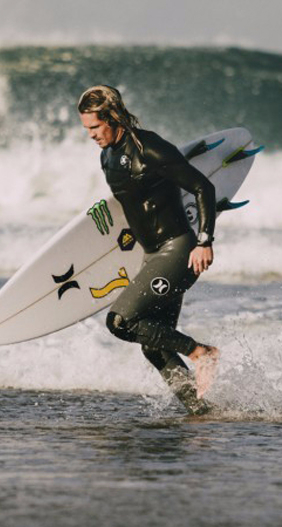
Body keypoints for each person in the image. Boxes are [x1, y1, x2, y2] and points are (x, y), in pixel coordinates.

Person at [78, 84, 221, 415]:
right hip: (151, 254)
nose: (91, 135)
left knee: (120, 322)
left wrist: (205, 241)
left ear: (113, 117)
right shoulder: (107, 156)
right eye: (86, 129)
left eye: (95, 127)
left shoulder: (150, 148)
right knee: (153, 346)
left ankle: (201, 352)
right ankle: (202, 412)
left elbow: (203, 187)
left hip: (179, 251)